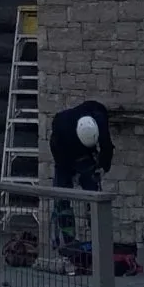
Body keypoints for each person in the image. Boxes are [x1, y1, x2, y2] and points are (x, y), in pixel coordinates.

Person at [47, 99, 111, 248]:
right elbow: (58, 157)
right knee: (62, 197)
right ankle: (67, 240)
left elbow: (106, 145)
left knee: (93, 196)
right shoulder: (61, 125)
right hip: (64, 155)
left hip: (84, 154)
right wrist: (68, 172)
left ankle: (98, 237)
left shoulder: (99, 120)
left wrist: (103, 166)